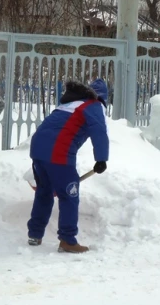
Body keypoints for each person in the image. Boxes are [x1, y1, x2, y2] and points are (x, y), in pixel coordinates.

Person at [27, 78, 109, 253]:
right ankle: (67, 239)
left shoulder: (71, 104)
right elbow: (99, 131)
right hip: (58, 151)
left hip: (38, 148)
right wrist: (101, 158)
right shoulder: (94, 105)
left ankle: (35, 233)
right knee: (69, 194)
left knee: (44, 192)